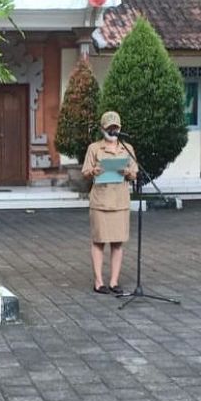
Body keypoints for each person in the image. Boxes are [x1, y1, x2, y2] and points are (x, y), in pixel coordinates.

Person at [82, 110, 138, 294]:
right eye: (109, 127)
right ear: (102, 128)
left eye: (116, 127)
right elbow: (85, 172)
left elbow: (134, 172)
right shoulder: (94, 148)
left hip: (120, 201)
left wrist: (127, 173)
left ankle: (114, 281)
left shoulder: (127, 148)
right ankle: (98, 282)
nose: (113, 130)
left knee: (117, 242)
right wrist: (94, 171)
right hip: (100, 200)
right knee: (99, 241)